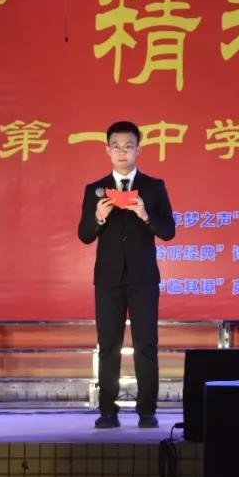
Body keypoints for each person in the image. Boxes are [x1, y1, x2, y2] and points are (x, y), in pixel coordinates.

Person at [77, 121, 176, 429]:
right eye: (116, 147)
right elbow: (84, 235)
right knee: (108, 345)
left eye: (128, 146)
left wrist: (145, 215)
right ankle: (108, 410)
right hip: (108, 280)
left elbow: (169, 231)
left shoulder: (153, 187)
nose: (122, 152)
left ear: (138, 150)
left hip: (143, 279)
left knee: (146, 344)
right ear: (107, 151)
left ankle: (147, 411)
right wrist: (98, 217)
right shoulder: (94, 189)